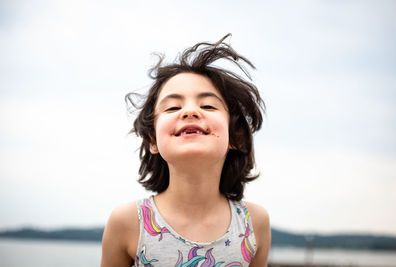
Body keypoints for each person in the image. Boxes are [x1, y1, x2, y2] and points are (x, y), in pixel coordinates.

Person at [101, 34, 271, 267]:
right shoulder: (128, 222)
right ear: (152, 139)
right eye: (172, 107)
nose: (190, 111)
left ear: (236, 137)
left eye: (208, 105)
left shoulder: (254, 223)